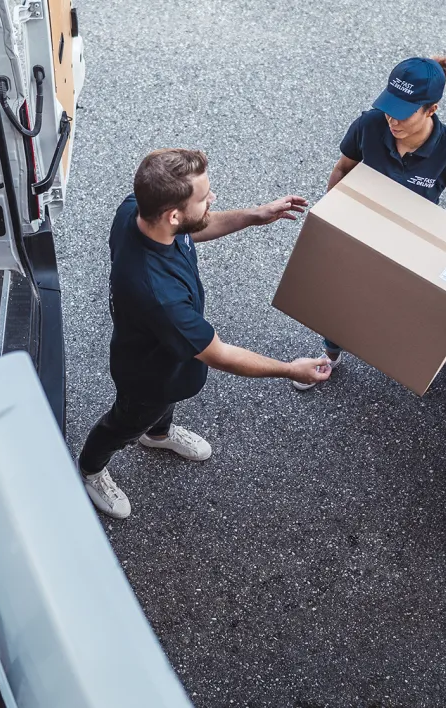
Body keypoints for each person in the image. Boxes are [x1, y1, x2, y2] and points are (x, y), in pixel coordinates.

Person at [78, 148, 331, 519]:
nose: (213, 199)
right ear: (174, 214)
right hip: (148, 375)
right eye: (204, 197)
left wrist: (254, 215)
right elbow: (219, 354)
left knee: (162, 406)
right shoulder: (160, 297)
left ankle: (158, 435)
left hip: (172, 357)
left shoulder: (136, 210)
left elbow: (195, 228)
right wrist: (292, 370)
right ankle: (90, 469)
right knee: (126, 421)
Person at [293, 55, 446, 391]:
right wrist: (332, 215)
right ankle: (331, 353)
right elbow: (342, 169)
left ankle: (393, 355)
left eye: (404, 111)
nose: (391, 118)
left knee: (394, 304)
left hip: (411, 242)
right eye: (389, 105)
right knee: (341, 298)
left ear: (431, 109)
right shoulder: (369, 125)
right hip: (361, 231)